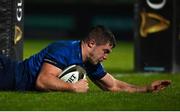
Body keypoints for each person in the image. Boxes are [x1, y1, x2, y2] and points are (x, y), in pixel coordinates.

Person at [0, 25, 171, 93]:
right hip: (9, 75)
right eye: (105, 51)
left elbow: (113, 85)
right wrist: (72, 87)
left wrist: (146, 88)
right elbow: (43, 81)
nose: (105, 57)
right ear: (91, 43)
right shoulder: (64, 50)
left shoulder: (90, 63)